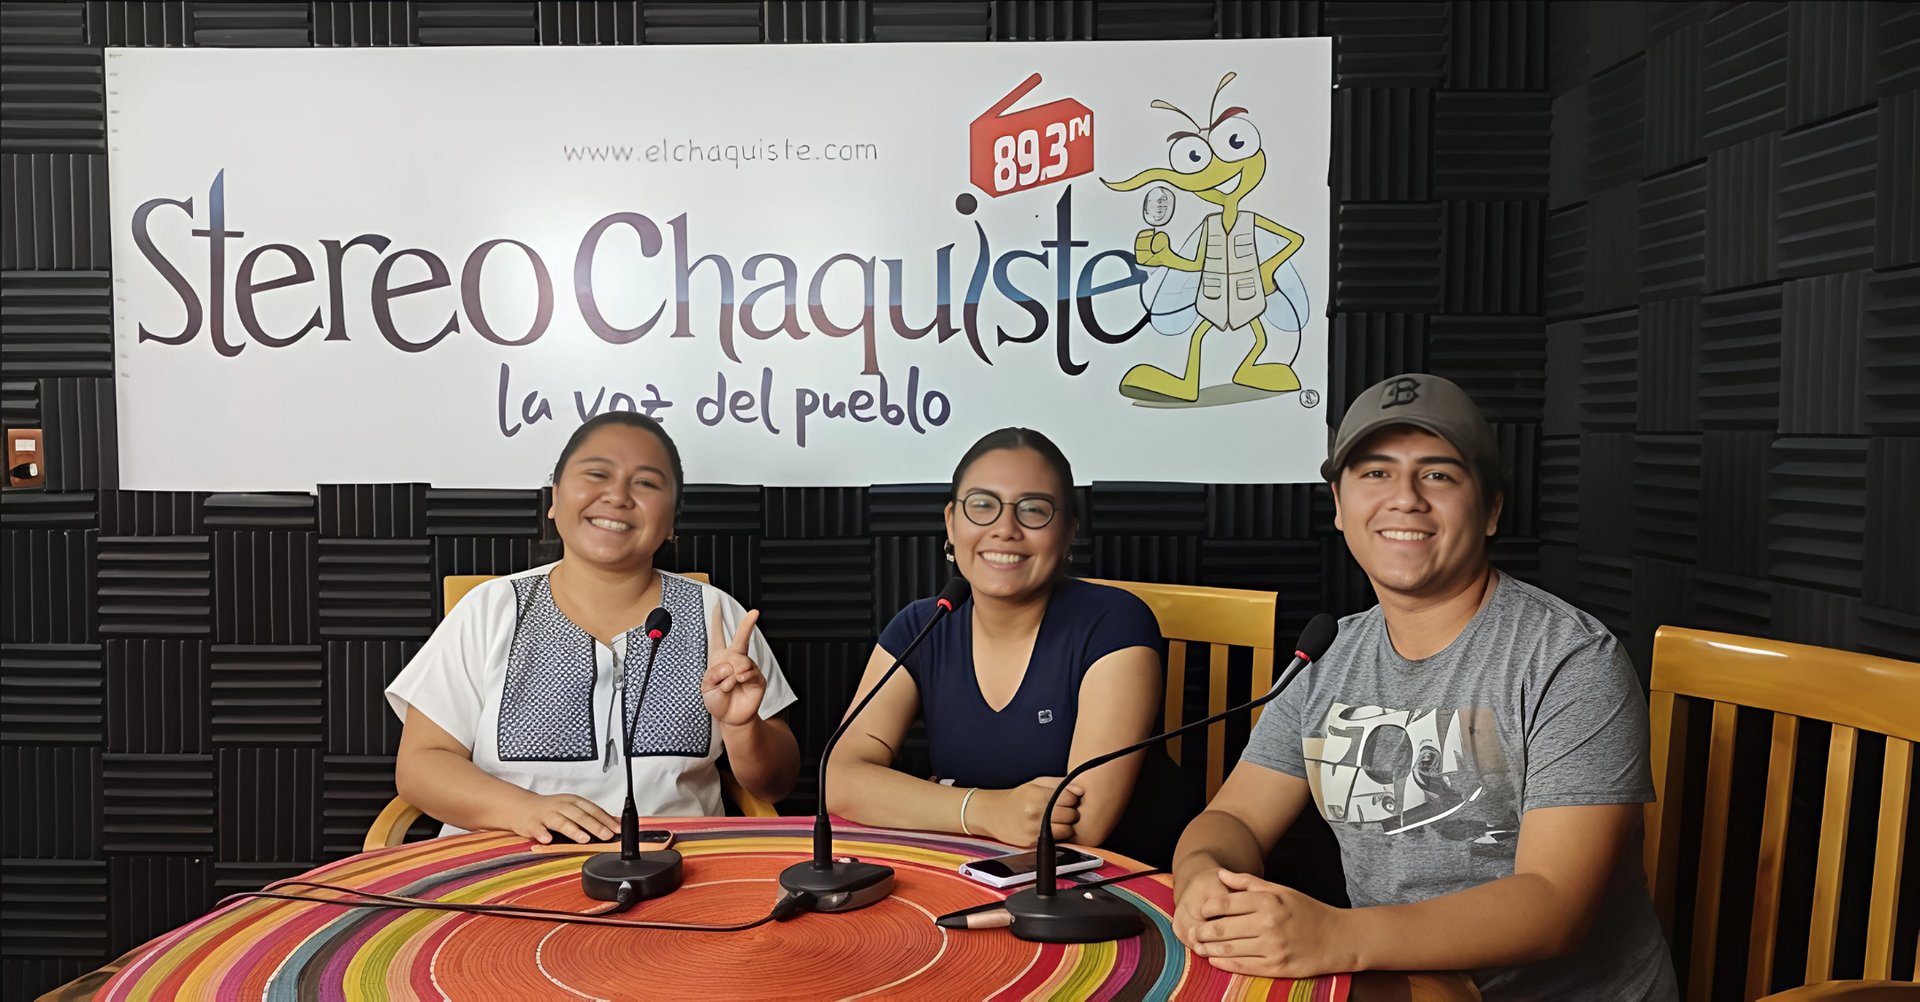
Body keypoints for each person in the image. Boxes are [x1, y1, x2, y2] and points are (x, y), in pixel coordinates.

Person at [1171, 374, 1677, 999]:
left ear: (1491, 508)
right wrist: (1200, 877)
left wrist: (1337, 937)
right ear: (1338, 503)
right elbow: (1234, 817)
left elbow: (1554, 904)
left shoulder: (1570, 660)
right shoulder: (1328, 655)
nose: (1404, 498)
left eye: (1438, 474)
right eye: (1375, 473)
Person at [386, 412, 800, 844]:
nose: (617, 496)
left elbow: (774, 786)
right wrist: (522, 809)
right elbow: (420, 767)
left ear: (673, 518)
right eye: (597, 474)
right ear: (555, 496)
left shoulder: (719, 614)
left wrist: (741, 729)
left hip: (675, 870)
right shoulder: (490, 609)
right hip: (503, 868)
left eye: (645, 483)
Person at [825, 427, 1197, 865]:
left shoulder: (1115, 623)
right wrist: (980, 810)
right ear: (951, 522)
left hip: (1122, 888)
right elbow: (840, 780)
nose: (1004, 529)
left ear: (1068, 531)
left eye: (1034, 510)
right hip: (980, 874)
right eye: (981, 506)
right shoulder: (923, 625)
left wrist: (930, 799)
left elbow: (1084, 825)